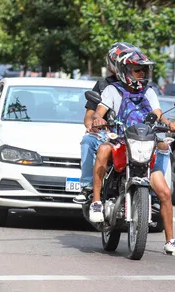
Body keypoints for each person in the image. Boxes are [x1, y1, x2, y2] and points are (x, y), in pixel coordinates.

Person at [91, 42, 175, 257]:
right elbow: (100, 111)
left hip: (144, 144)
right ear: (125, 71)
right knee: (103, 150)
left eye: (143, 70)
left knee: (164, 192)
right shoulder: (111, 90)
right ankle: (97, 202)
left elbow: (158, 113)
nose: (141, 73)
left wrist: (169, 124)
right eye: (137, 69)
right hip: (120, 141)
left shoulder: (149, 92)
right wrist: (98, 120)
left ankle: (171, 240)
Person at [72, 44, 124, 204]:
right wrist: (93, 125)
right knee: (88, 140)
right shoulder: (103, 86)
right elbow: (89, 117)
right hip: (107, 134)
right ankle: (87, 187)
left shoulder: (142, 88)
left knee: (163, 147)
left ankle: (155, 195)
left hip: (133, 136)